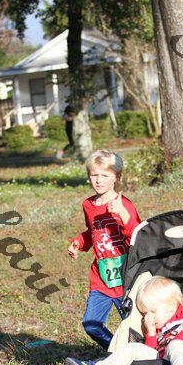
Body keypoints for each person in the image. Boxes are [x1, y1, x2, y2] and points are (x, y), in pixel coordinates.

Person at [65, 276, 183, 365]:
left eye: (153, 311)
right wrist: (151, 333)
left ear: (171, 306)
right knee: (132, 348)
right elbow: (150, 351)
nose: (148, 317)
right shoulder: (159, 330)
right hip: (161, 359)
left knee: (176, 345)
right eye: (145, 313)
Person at [68, 149, 141, 350]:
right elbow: (92, 231)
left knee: (135, 328)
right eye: (94, 175)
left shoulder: (124, 205)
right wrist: (79, 242)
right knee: (91, 324)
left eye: (105, 175)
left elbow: (139, 236)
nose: (99, 180)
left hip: (126, 277)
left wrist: (123, 215)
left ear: (116, 177)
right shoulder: (88, 205)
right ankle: (116, 353)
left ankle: (145, 358)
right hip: (101, 278)